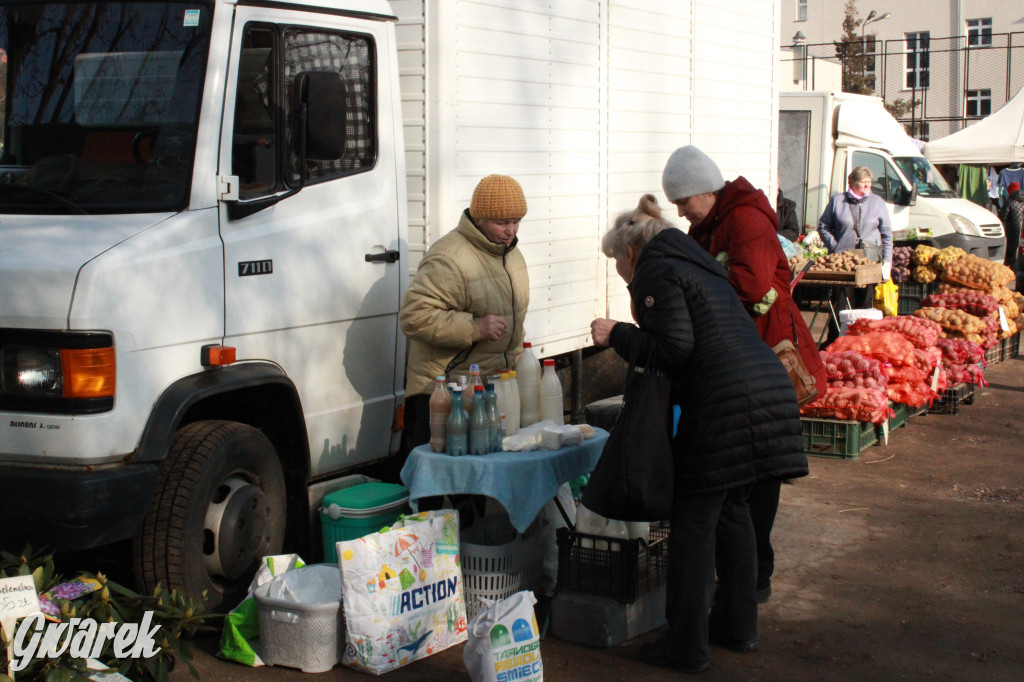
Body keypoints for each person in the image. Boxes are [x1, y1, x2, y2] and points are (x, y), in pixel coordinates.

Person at [591, 194, 807, 673]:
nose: (621, 274)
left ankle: (685, 645)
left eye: (617, 264)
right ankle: (737, 627)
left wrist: (618, 335)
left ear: (630, 253)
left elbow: (675, 346)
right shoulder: (699, 265)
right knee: (732, 513)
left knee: (691, 525)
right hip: (766, 388)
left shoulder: (655, 271)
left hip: (724, 403)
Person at [661, 145, 827, 604]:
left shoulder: (745, 221)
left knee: (761, 468)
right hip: (747, 352)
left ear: (705, 192)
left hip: (769, 354)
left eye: (683, 201)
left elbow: (751, 286)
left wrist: (702, 283)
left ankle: (756, 574)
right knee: (748, 470)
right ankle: (745, 574)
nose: (681, 211)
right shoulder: (712, 224)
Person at [398, 174, 529, 452]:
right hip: (444, 393)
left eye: (516, 221)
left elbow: (516, 322)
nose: (511, 230)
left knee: (477, 479)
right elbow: (414, 316)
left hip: (486, 390)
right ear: (479, 218)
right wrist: (475, 327)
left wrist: (520, 365)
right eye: (502, 222)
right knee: (441, 480)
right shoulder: (450, 257)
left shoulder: (511, 255)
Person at [816, 165, 894, 343]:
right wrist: (835, 246)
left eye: (869, 183)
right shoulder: (838, 201)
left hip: (869, 263)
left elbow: (887, 233)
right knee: (841, 305)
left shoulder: (877, 203)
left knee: (864, 305)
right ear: (852, 183)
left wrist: (887, 262)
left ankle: (861, 343)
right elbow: (823, 225)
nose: (868, 187)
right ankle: (837, 341)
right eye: (863, 183)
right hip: (844, 263)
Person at [1000, 181, 1024, 272]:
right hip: (1022, 229)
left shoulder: (1009, 202)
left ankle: (1010, 269)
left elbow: (1003, 216)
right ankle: (1018, 269)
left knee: (1010, 249)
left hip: (1012, 229)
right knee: (1019, 249)